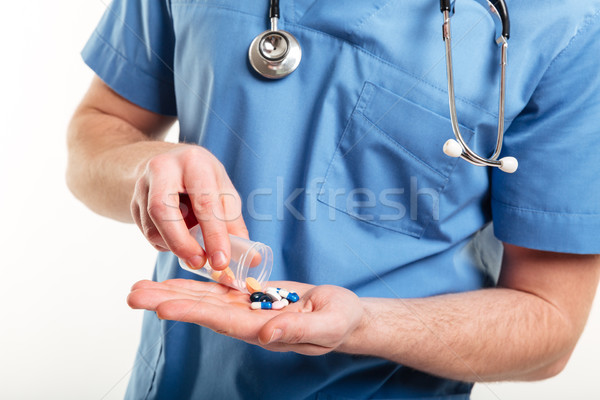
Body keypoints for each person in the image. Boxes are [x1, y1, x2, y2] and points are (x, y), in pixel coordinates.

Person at [67, 0, 600, 398]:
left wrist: (364, 323)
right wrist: (143, 172)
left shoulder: (568, 23)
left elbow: (549, 321)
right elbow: (100, 128)